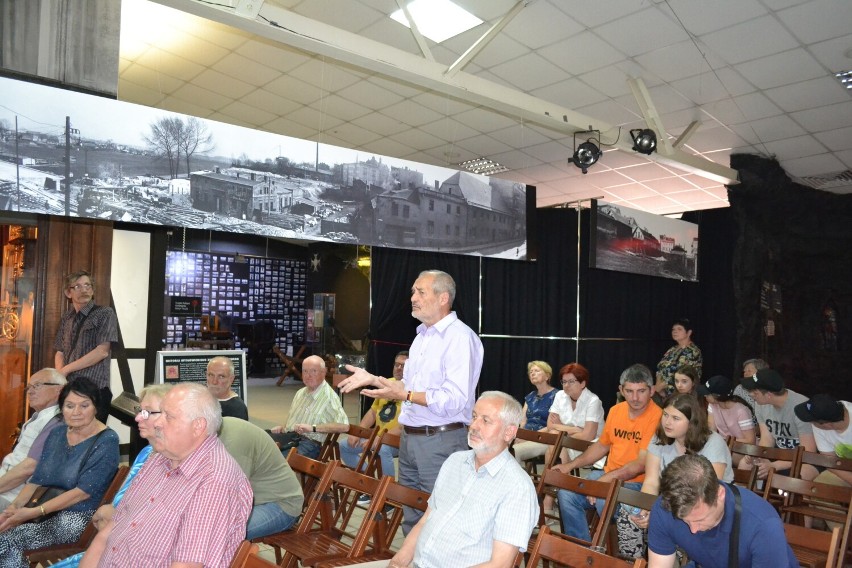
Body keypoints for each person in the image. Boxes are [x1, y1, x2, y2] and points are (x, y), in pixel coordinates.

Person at [339, 269, 483, 534]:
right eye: (413, 291)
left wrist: (403, 395)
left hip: (441, 441)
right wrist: (374, 378)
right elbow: (410, 387)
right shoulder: (421, 338)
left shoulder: (460, 338)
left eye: (421, 292)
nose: (413, 297)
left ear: (443, 298)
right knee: (412, 516)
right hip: (411, 439)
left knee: (439, 518)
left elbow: (453, 399)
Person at [353, 392, 538, 568]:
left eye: (486, 420)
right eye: (474, 417)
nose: (474, 426)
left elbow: (500, 564)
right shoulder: (454, 461)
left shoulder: (517, 487)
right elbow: (426, 519)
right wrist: (399, 560)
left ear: (509, 432)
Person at [86, 383, 253, 568]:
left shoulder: (214, 483)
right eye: (161, 413)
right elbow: (107, 534)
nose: (156, 422)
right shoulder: (159, 458)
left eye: (169, 417)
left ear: (198, 426)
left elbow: (186, 566)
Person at [0, 378, 119, 568]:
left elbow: (82, 492)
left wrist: (31, 513)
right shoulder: (57, 434)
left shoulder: (107, 440)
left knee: (7, 541)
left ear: (96, 407)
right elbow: (37, 479)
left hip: (78, 517)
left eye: (84, 405)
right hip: (44, 508)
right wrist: (13, 508)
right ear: (62, 409)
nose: (76, 412)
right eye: (70, 406)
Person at [52, 384, 171, 568]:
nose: (138, 417)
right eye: (140, 410)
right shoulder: (147, 452)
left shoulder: (171, 461)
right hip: (109, 537)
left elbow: (154, 521)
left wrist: (115, 517)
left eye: (147, 412)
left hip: (129, 551)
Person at [555, 363, 662, 542]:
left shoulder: (658, 417)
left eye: (641, 391)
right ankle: (581, 550)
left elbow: (640, 465)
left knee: (604, 499)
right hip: (607, 476)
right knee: (566, 493)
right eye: (629, 391)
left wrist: (603, 483)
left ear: (651, 391)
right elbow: (602, 446)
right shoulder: (615, 411)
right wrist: (570, 465)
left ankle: (615, 547)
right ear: (621, 390)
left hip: (637, 484)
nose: (635, 397)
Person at [648, 454, 798, 568]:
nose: (693, 530)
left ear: (720, 494)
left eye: (700, 520)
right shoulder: (667, 507)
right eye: (685, 521)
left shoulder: (763, 525)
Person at [630, 394, 733, 531]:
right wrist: (646, 509)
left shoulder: (714, 443)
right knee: (631, 514)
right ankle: (632, 553)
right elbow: (651, 481)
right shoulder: (659, 437)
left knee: (666, 520)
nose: (667, 422)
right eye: (665, 415)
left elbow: (707, 492)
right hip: (670, 498)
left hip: (704, 505)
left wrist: (658, 514)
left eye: (675, 418)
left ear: (692, 422)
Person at [219, 416, 304, 540]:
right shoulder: (213, 432)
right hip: (256, 502)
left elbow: (231, 496)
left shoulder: (234, 442)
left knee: (217, 534)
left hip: (281, 505)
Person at [53, 270, 118, 423]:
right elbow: (59, 351)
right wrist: (59, 377)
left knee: (90, 440)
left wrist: (65, 370)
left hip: (94, 390)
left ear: (93, 290)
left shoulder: (104, 314)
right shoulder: (67, 317)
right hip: (70, 389)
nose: (84, 290)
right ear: (68, 293)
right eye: (78, 286)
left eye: (87, 285)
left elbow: (101, 352)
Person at [0, 369, 66, 508]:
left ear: (59, 390)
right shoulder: (39, 416)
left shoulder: (57, 421)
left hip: (15, 497)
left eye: (37, 385)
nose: (30, 392)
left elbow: (29, 468)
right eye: (29, 387)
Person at [339, 351, 408, 482]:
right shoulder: (386, 383)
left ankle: (387, 493)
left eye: (403, 366)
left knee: (382, 449)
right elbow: (372, 413)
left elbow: (403, 427)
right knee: (344, 445)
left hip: (400, 441)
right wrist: (357, 432)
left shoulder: (412, 390)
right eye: (396, 365)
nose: (398, 368)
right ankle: (369, 482)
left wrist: (381, 438)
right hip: (378, 437)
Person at [738, 368, 817, 480]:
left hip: (804, 459)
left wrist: (775, 465)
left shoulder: (801, 407)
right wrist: (757, 454)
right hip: (777, 453)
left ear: (769, 395)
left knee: (798, 477)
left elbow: (808, 451)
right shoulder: (761, 404)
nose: (751, 395)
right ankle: (748, 496)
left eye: (755, 392)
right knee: (745, 464)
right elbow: (767, 439)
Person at [270, 355, 349, 458]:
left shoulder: (329, 398)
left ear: (323, 372)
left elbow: (344, 426)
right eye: (305, 371)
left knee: (275, 461)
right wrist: (283, 428)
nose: (308, 375)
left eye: (313, 371)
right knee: (259, 443)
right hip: (291, 436)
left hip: (310, 444)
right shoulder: (300, 393)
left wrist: (313, 428)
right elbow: (292, 419)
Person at [794, 393, 852, 490]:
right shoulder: (821, 422)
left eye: (811, 421)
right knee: (818, 488)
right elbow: (828, 460)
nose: (811, 423)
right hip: (844, 469)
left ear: (827, 425)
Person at [510, 360, 557, 463]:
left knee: (513, 451)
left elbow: (554, 425)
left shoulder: (558, 396)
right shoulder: (530, 396)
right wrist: (520, 436)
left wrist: (530, 437)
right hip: (526, 437)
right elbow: (523, 421)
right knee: (499, 446)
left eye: (537, 371)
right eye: (531, 372)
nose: (532, 373)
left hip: (544, 438)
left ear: (547, 376)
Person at [697, 375, 756, 448]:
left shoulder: (741, 411)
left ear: (717, 396)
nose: (705, 395)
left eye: (707, 393)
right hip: (724, 446)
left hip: (741, 449)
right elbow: (711, 430)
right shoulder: (712, 405)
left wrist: (725, 442)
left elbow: (750, 440)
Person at [655, 319, 702, 399]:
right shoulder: (672, 349)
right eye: (673, 329)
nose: (675, 332)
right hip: (663, 393)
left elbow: (684, 374)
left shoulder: (693, 351)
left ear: (689, 333)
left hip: (681, 395)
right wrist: (658, 387)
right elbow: (660, 368)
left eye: (679, 329)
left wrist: (660, 387)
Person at [206, 356, 248, 420]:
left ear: (231, 379)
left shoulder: (237, 408)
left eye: (221, 376)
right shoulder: (198, 400)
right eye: (211, 375)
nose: (214, 381)